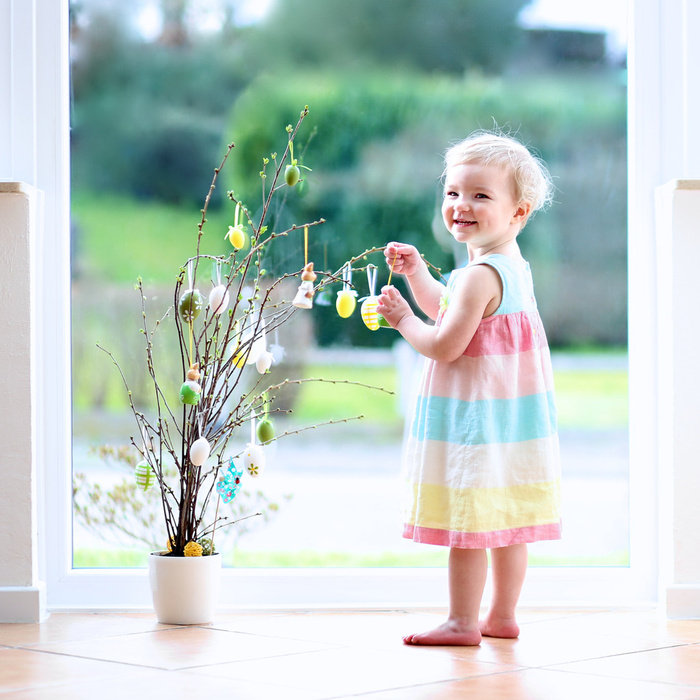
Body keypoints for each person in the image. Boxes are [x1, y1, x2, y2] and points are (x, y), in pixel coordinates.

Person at [377, 131, 561, 646]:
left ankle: (462, 622)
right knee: (508, 523)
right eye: (454, 192)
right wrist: (416, 274)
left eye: (481, 195)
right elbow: (450, 307)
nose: (461, 205)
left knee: (470, 526)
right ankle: (502, 616)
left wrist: (401, 322)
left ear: (518, 213)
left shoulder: (480, 275)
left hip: (478, 422)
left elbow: (443, 343)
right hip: (512, 424)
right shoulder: (507, 267)